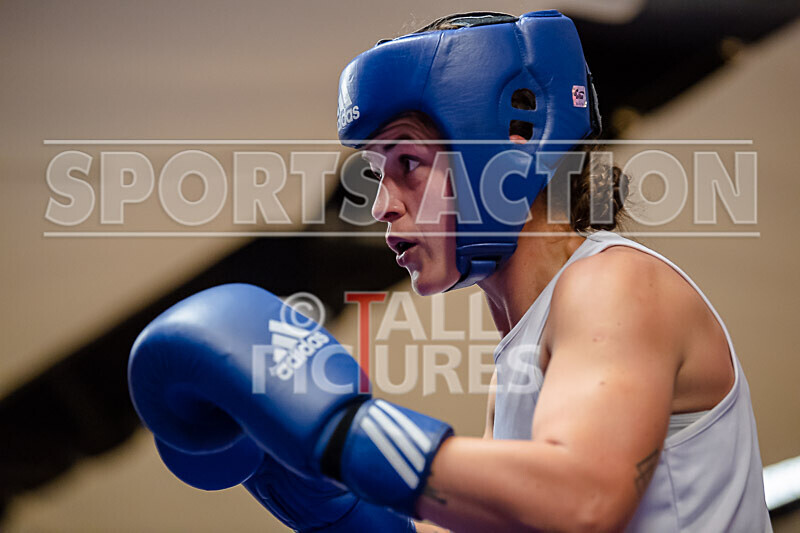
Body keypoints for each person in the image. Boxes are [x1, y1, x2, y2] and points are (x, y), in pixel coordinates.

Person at [127, 10, 771, 533]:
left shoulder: (615, 286)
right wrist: (315, 489)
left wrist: (339, 432)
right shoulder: (528, 349)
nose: (381, 205)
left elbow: (582, 501)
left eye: (406, 161)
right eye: (378, 172)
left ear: (506, 145)